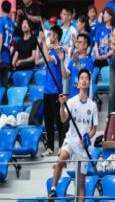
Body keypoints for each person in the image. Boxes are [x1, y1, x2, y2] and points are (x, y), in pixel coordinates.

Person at [49, 69, 98, 201]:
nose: (84, 80)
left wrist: (87, 136)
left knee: (81, 183)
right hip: (71, 140)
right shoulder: (71, 101)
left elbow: (94, 129)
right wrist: (61, 105)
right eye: (82, 78)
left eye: (86, 78)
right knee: (61, 159)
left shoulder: (92, 106)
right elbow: (63, 118)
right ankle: (53, 189)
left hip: (82, 147)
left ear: (89, 83)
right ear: (78, 83)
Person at [38, 26, 65, 157]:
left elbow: (48, 59)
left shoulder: (59, 50)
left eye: (51, 34)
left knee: (58, 120)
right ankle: (50, 147)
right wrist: (42, 44)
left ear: (56, 35)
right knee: (48, 120)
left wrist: (43, 41)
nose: (49, 36)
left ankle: (61, 146)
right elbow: (39, 60)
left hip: (56, 90)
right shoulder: (50, 49)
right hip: (47, 90)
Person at [0, 0, 15, 87]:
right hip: (7, 57)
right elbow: (12, 41)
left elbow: (0, 37)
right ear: (10, 9)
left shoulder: (1, 20)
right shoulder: (12, 24)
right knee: (4, 84)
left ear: (1, 8)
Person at [62, 33, 94, 98]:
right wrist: (61, 61)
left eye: (79, 42)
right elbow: (65, 75)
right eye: (77, 42)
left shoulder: (89, 61)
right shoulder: (73, 60)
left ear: (85, 45)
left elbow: (85, 75)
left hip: (83, 98)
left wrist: (77, 62)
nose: (77, 44)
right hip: (72, 97)